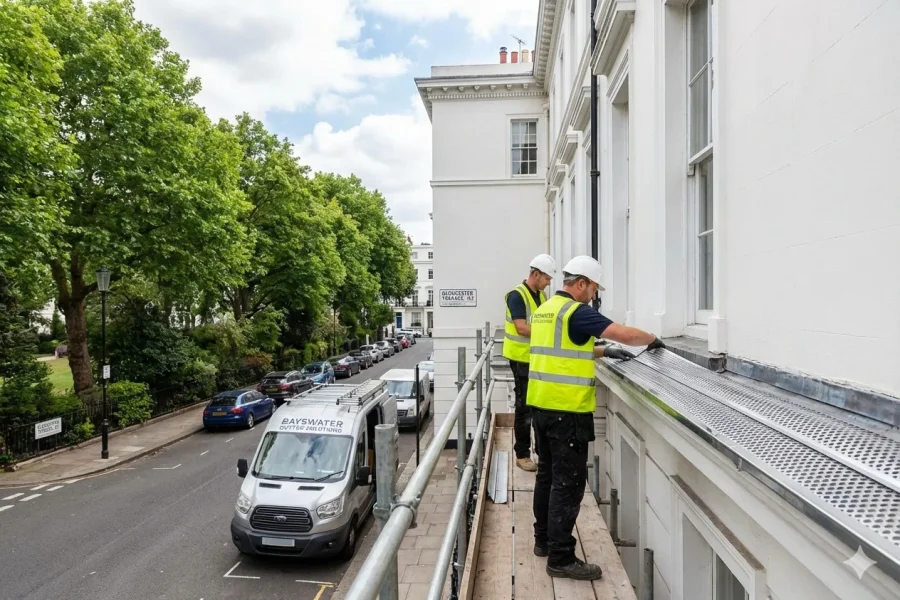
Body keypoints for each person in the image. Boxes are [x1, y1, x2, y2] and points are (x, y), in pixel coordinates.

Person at [528, 255, 665, 580]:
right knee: (568, 485)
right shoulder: (578, 312)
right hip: (567, 414)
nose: (593, 295)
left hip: (541, 409)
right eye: (592, 288)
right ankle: (561, 558)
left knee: (546, 478)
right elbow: (625, 334)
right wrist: (653, 339)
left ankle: (543, 542)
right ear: (581, 284)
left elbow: (565, 348)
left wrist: (603, 351)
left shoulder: (545, 312)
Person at [502, 253, 556, 472]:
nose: (549, 282)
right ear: (535, 274)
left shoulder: (540, 296)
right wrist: (550, 336)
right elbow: (521, 328)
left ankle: (539, 451)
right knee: (524, 407)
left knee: (537, 405)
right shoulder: (517, 295)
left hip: (535, 359)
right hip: (521, 359)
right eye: (547, 278)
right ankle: (522, 454)